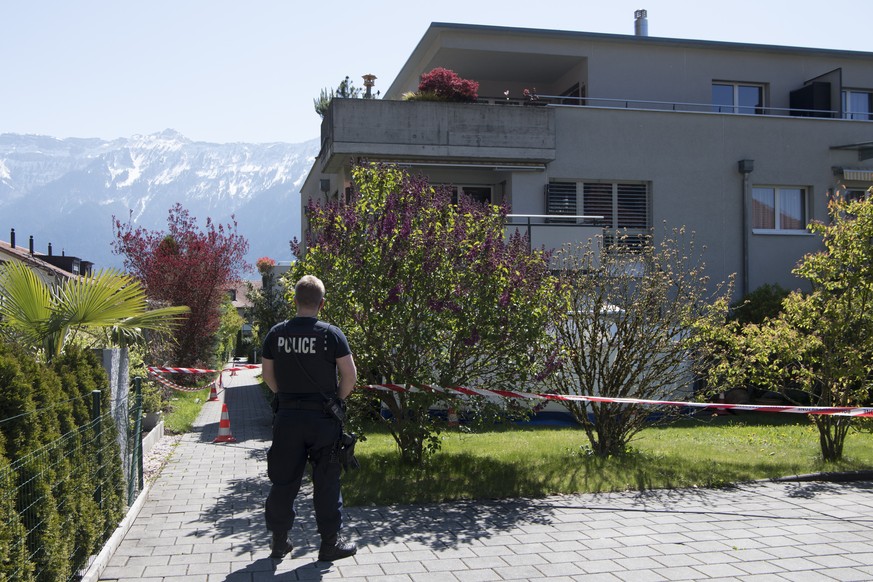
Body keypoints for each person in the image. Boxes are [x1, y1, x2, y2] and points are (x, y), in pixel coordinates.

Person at [261, 275, 358, 561]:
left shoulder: (276, 334)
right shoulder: (332, 334)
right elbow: (349, 377)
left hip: (287, 419)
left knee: (283, 481)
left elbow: (268, 375)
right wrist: (336, 402)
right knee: (326, 481)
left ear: (294, 301)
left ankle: (279, 542)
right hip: (323, 421)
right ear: (321, 304)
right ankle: (329, 544)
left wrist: (288, 398)